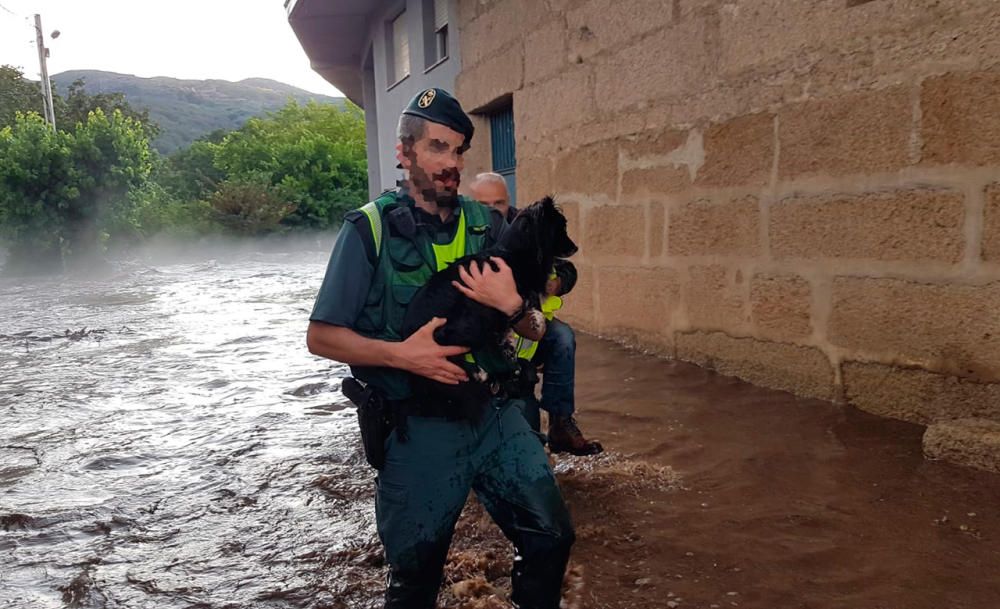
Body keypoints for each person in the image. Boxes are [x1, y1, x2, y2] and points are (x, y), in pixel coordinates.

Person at [306, 88, 574, 609]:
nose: (450, 164)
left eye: (458, 151)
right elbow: (320, 337)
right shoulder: (369, 230)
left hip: (497, 414)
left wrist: (516, 305)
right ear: (404, 154)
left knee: (551, 539)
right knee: (416, 577)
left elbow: (539, 332)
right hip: (419, 426)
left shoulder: (490, 225)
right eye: (436, 148)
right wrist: (401, 356)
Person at [469, 175, 603, 456]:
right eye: (484, 205)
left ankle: (560, 422)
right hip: (482, 334)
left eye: (499, 203)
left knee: (563, 337)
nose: (493, 211)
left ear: (509, 201)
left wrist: (557, 283)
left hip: (527, 330)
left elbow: (566, 268)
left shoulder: (527, 226)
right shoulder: (466, 230)